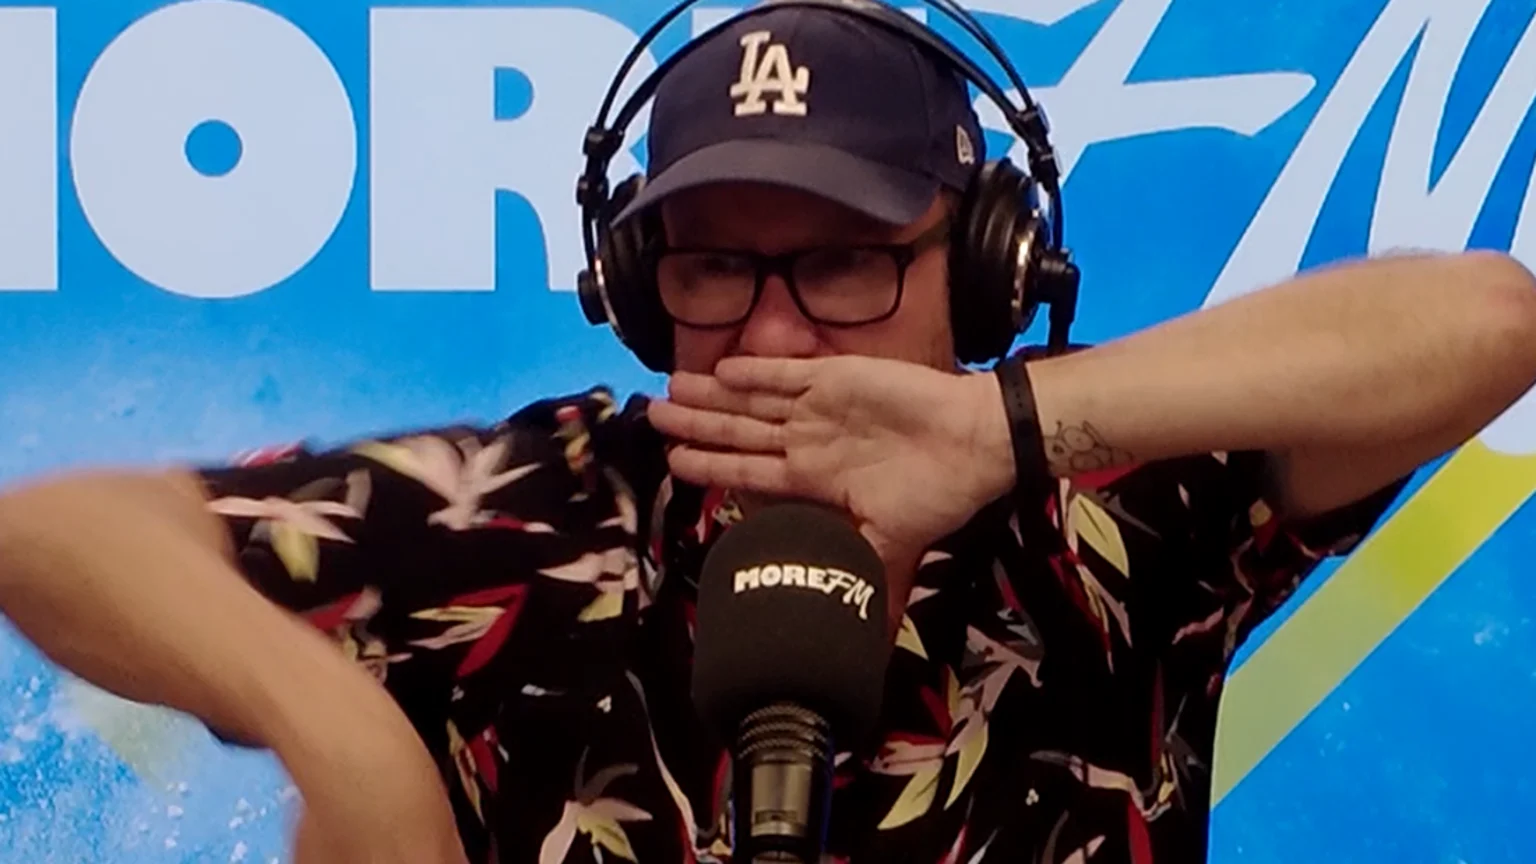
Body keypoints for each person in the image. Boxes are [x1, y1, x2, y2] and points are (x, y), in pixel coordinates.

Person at [2, 2, 1536, 862]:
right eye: (718, 267)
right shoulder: (548, 513)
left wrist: (1008, 426)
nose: (779, 334)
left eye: (848, 263)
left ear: (984, 268)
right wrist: (340, 736)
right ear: (638, 288)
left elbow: (1485, 322)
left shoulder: (1106, 509)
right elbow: (57, 537)